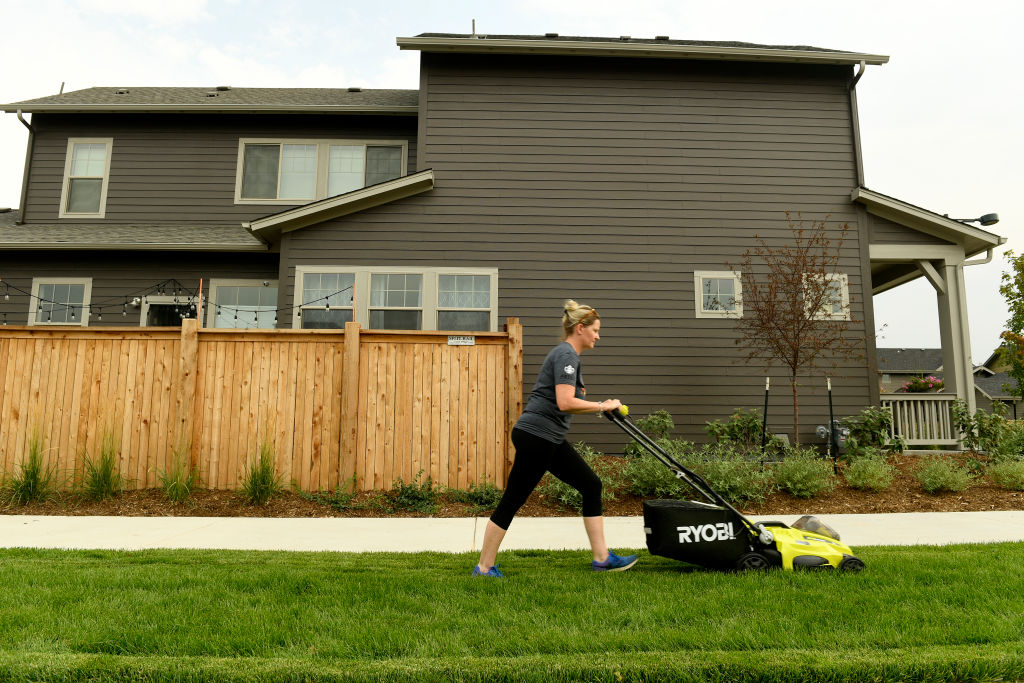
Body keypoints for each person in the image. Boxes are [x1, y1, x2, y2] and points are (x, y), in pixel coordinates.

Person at [473, 300, 639, 577]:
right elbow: (565, 401)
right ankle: (484, 567)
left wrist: (603, 405)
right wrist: (602, 406)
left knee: (590, 485)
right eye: (595, 330)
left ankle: (602, 559)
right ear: (580, 328)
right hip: (539, 436)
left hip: (544, 436)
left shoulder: (569, 356)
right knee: (514, 499)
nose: (598, 336)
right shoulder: (567, 355)